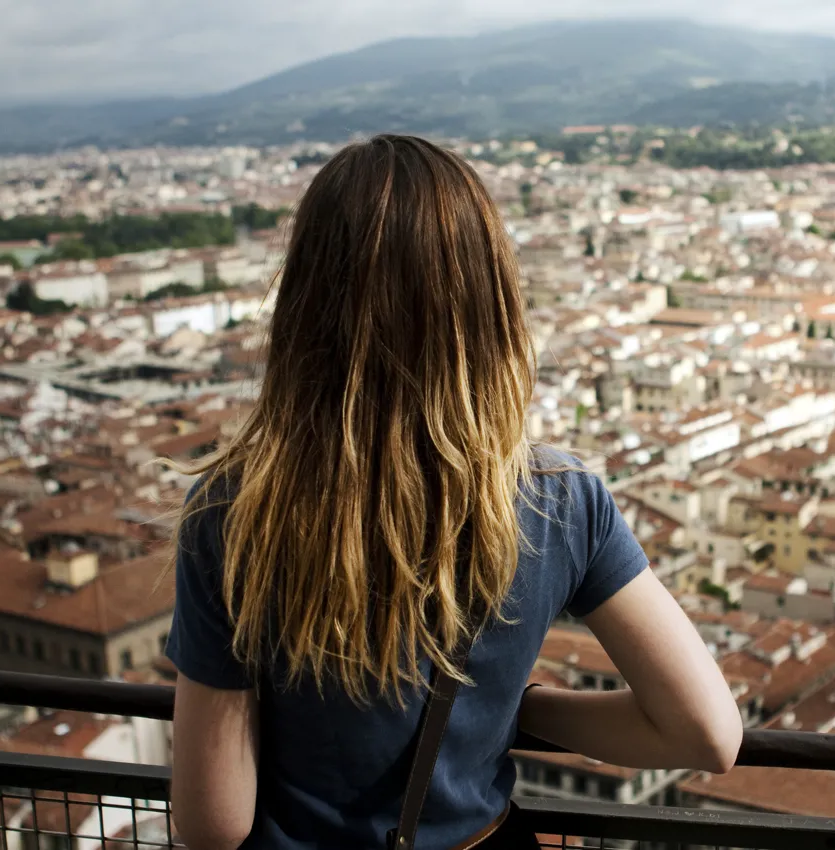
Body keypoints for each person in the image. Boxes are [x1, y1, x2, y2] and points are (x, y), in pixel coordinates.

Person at [165, 135, 743, 850]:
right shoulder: (558, 501)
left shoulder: (233, 515)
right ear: (491, 300)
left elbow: (214, 825)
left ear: (305, 305)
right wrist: (518, 712)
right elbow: (708, 732)